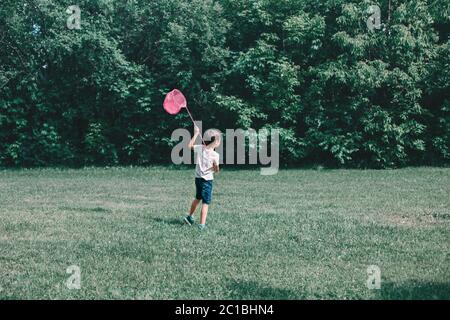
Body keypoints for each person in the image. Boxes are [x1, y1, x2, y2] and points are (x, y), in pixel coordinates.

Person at [183, 126, 220, 230]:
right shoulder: (215, 155)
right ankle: (202, 225)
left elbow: (189, 146)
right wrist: (216, 166)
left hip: (198, 179)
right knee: (205, 202)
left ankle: (189, 217)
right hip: (207, 180)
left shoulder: (200, 148)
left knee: (197, 198)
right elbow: (216, 170)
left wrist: (195, 133)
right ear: (216, 142)